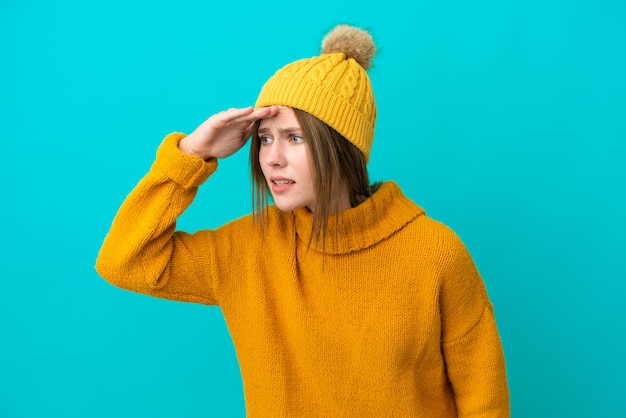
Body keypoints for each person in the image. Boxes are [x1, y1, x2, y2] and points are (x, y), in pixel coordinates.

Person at [96, 24, 510, 417]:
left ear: (343, 147)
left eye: (294, 137)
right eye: (264, 138)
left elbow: (483, 399)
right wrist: (188, 155)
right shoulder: (247, 249)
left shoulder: (433, 253)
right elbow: (124, 261)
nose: (272, 157)